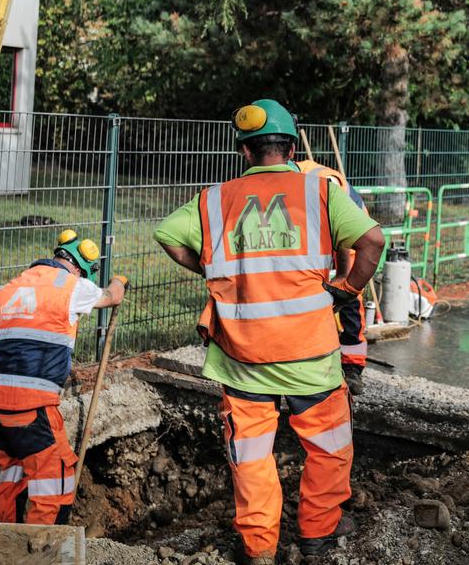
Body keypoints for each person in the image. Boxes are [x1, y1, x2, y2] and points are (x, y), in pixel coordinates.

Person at [155, 100, 385, 565]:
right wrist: (346, 289)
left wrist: (210, 266)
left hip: (242, 359)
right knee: (329, 448)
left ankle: (259, 549)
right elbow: (372, 241)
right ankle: (317, 536)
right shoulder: (319, 191)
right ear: (293, 147)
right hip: (310, 356)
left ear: (245, 151)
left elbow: (167, 234)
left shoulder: (214, 199)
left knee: (252, 455)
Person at [0, 228, 127, 524]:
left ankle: (0, 542)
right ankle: (43, 550)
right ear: (82, 266)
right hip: (29, 407)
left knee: (8, 478)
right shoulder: (72, 286)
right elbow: (111, 297)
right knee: (53, 483)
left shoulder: (11, 286)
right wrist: (120, 280)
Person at [294, 158, 369, 395]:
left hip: (353, 237)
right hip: (319, 237)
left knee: (349, 298)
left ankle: (352, 368)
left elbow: (342, 231)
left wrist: (344, 276)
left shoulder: (320, 180)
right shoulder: (286, 180)